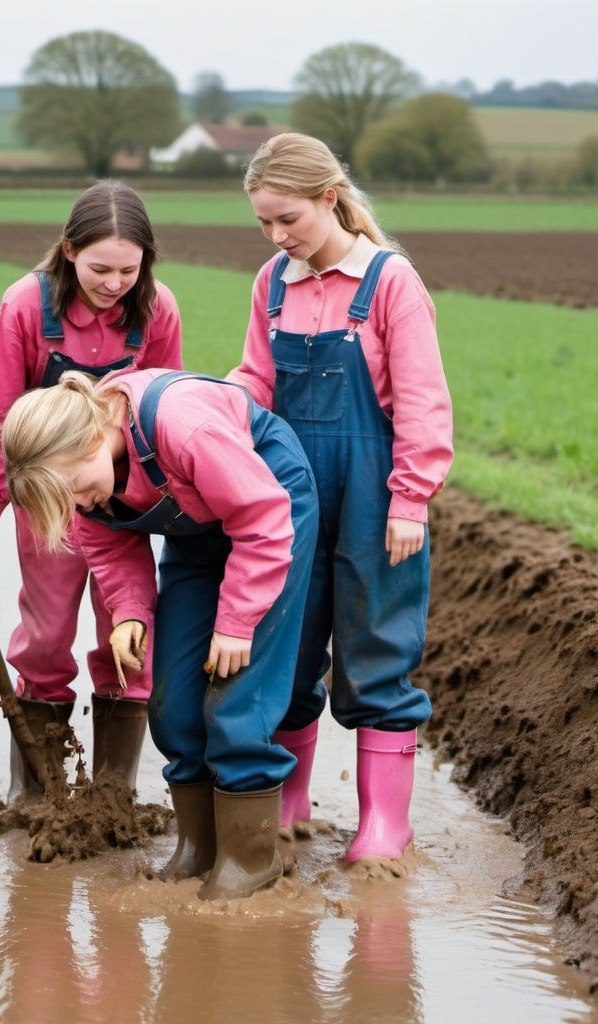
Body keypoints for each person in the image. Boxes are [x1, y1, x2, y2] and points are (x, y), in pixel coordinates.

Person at [0, 367, 318, 900]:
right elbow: (107, 545)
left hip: (269, 513)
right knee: (172, 700)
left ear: (94, 437)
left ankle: (251, 857)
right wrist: (128, 614)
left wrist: (238, 622)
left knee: (237, 698)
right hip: (199, 530)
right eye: (69, 501)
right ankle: (199, 848)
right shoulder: (81, 484)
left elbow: (262, 518)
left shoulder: (180, 425)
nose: (82, 504)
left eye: (79, 489)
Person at [229, 132, 454, 866]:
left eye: (287, 218)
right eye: (264, 222)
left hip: (371, 488)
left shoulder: (390, 282)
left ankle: (385, 826)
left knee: (375, 645)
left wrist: (410, 499)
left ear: (330, 198)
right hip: (289, 490)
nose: (277, 236)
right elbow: (258, 380)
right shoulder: (273, 281)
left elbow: (423, 400)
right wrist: (218, 404)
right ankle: (290, 803)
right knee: (287, 642)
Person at [0, 181, 182, 801]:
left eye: (129, 270)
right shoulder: (27, 306)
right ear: (68, 252)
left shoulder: (157, 309)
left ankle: (112, 796)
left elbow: (163, 408)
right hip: (50, 502)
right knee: (47, 631)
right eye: (100, 268)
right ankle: (36, 795)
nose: (115, 283)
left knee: (129, 632)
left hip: (126, 504)